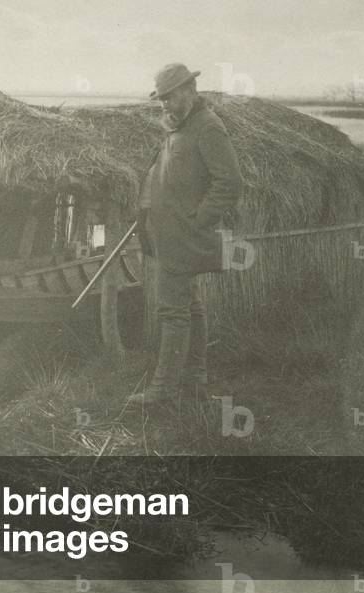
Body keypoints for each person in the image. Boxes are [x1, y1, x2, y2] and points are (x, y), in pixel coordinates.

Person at [128, 63, 242, 408]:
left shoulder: (207, 128)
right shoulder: (181, 127)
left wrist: (199, 219)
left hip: (183, 236)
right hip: (171, 236)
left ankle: (162, 391)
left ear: (190, 90)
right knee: (190, 308)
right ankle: (195, 380)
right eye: (161, 99)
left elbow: (230, 182)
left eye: (170, 97)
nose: (165, 105)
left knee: (173, 313)